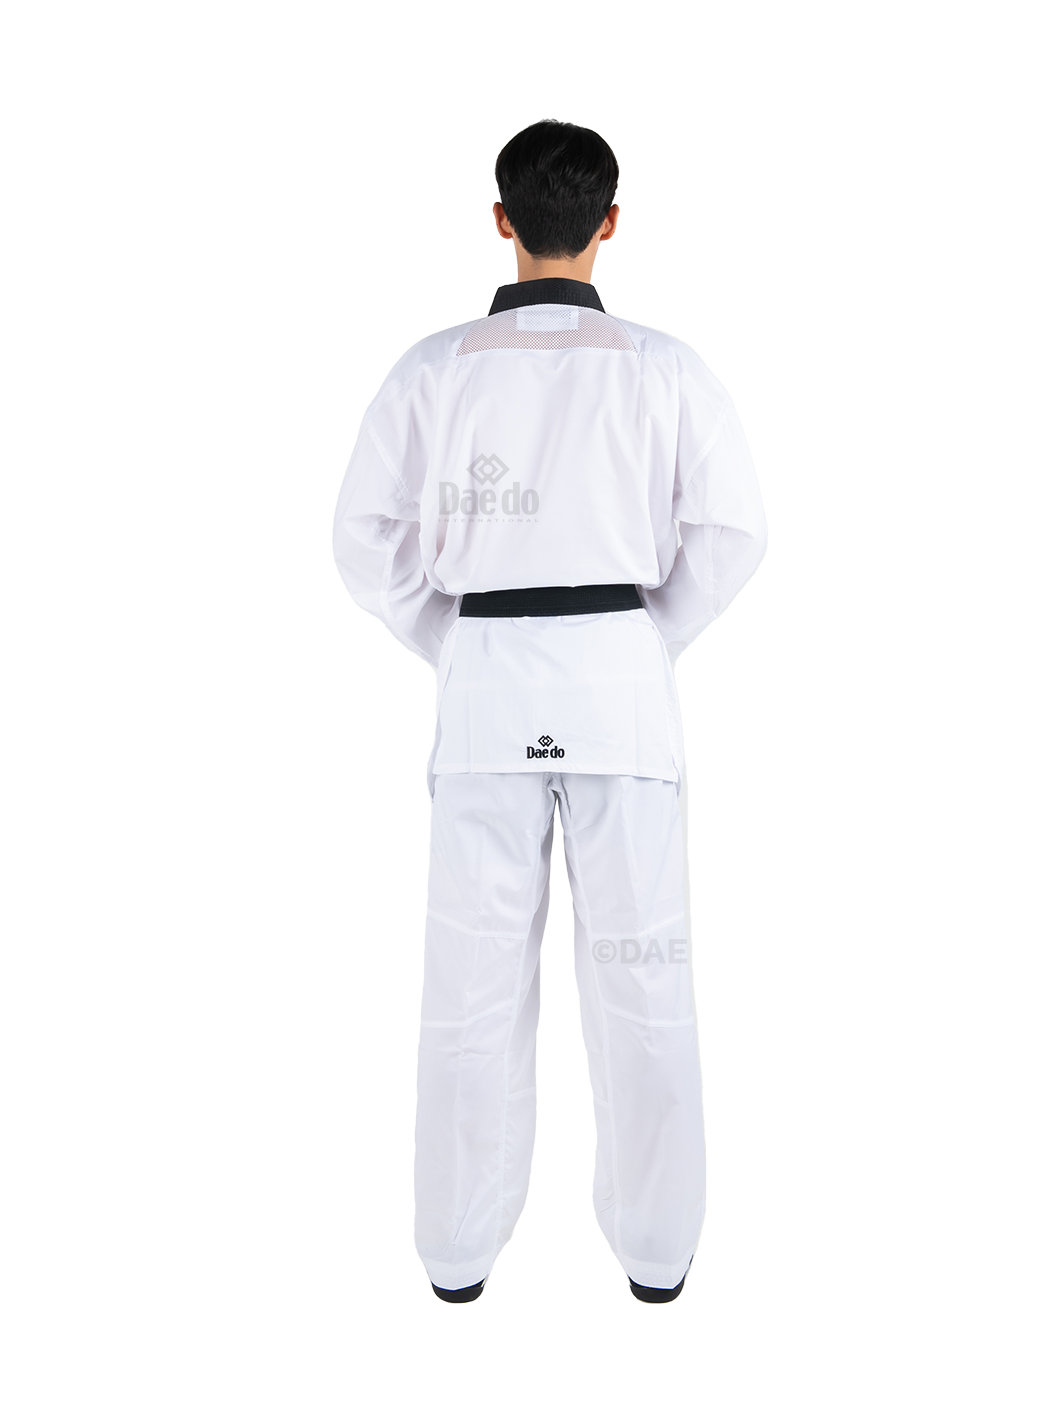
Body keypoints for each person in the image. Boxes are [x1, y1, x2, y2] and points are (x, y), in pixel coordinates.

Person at [333, 119, 767, 1303]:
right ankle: (657, 1254)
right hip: (618, 684)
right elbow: (730, 532)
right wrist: (640, 634)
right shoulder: (663, 369)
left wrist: (459, 638)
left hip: (487, 685)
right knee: (642, 963)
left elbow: (365, 537)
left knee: (470, 976)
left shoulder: (436, 369)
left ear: (500, 219)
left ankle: (455, 1254)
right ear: (609, 223)